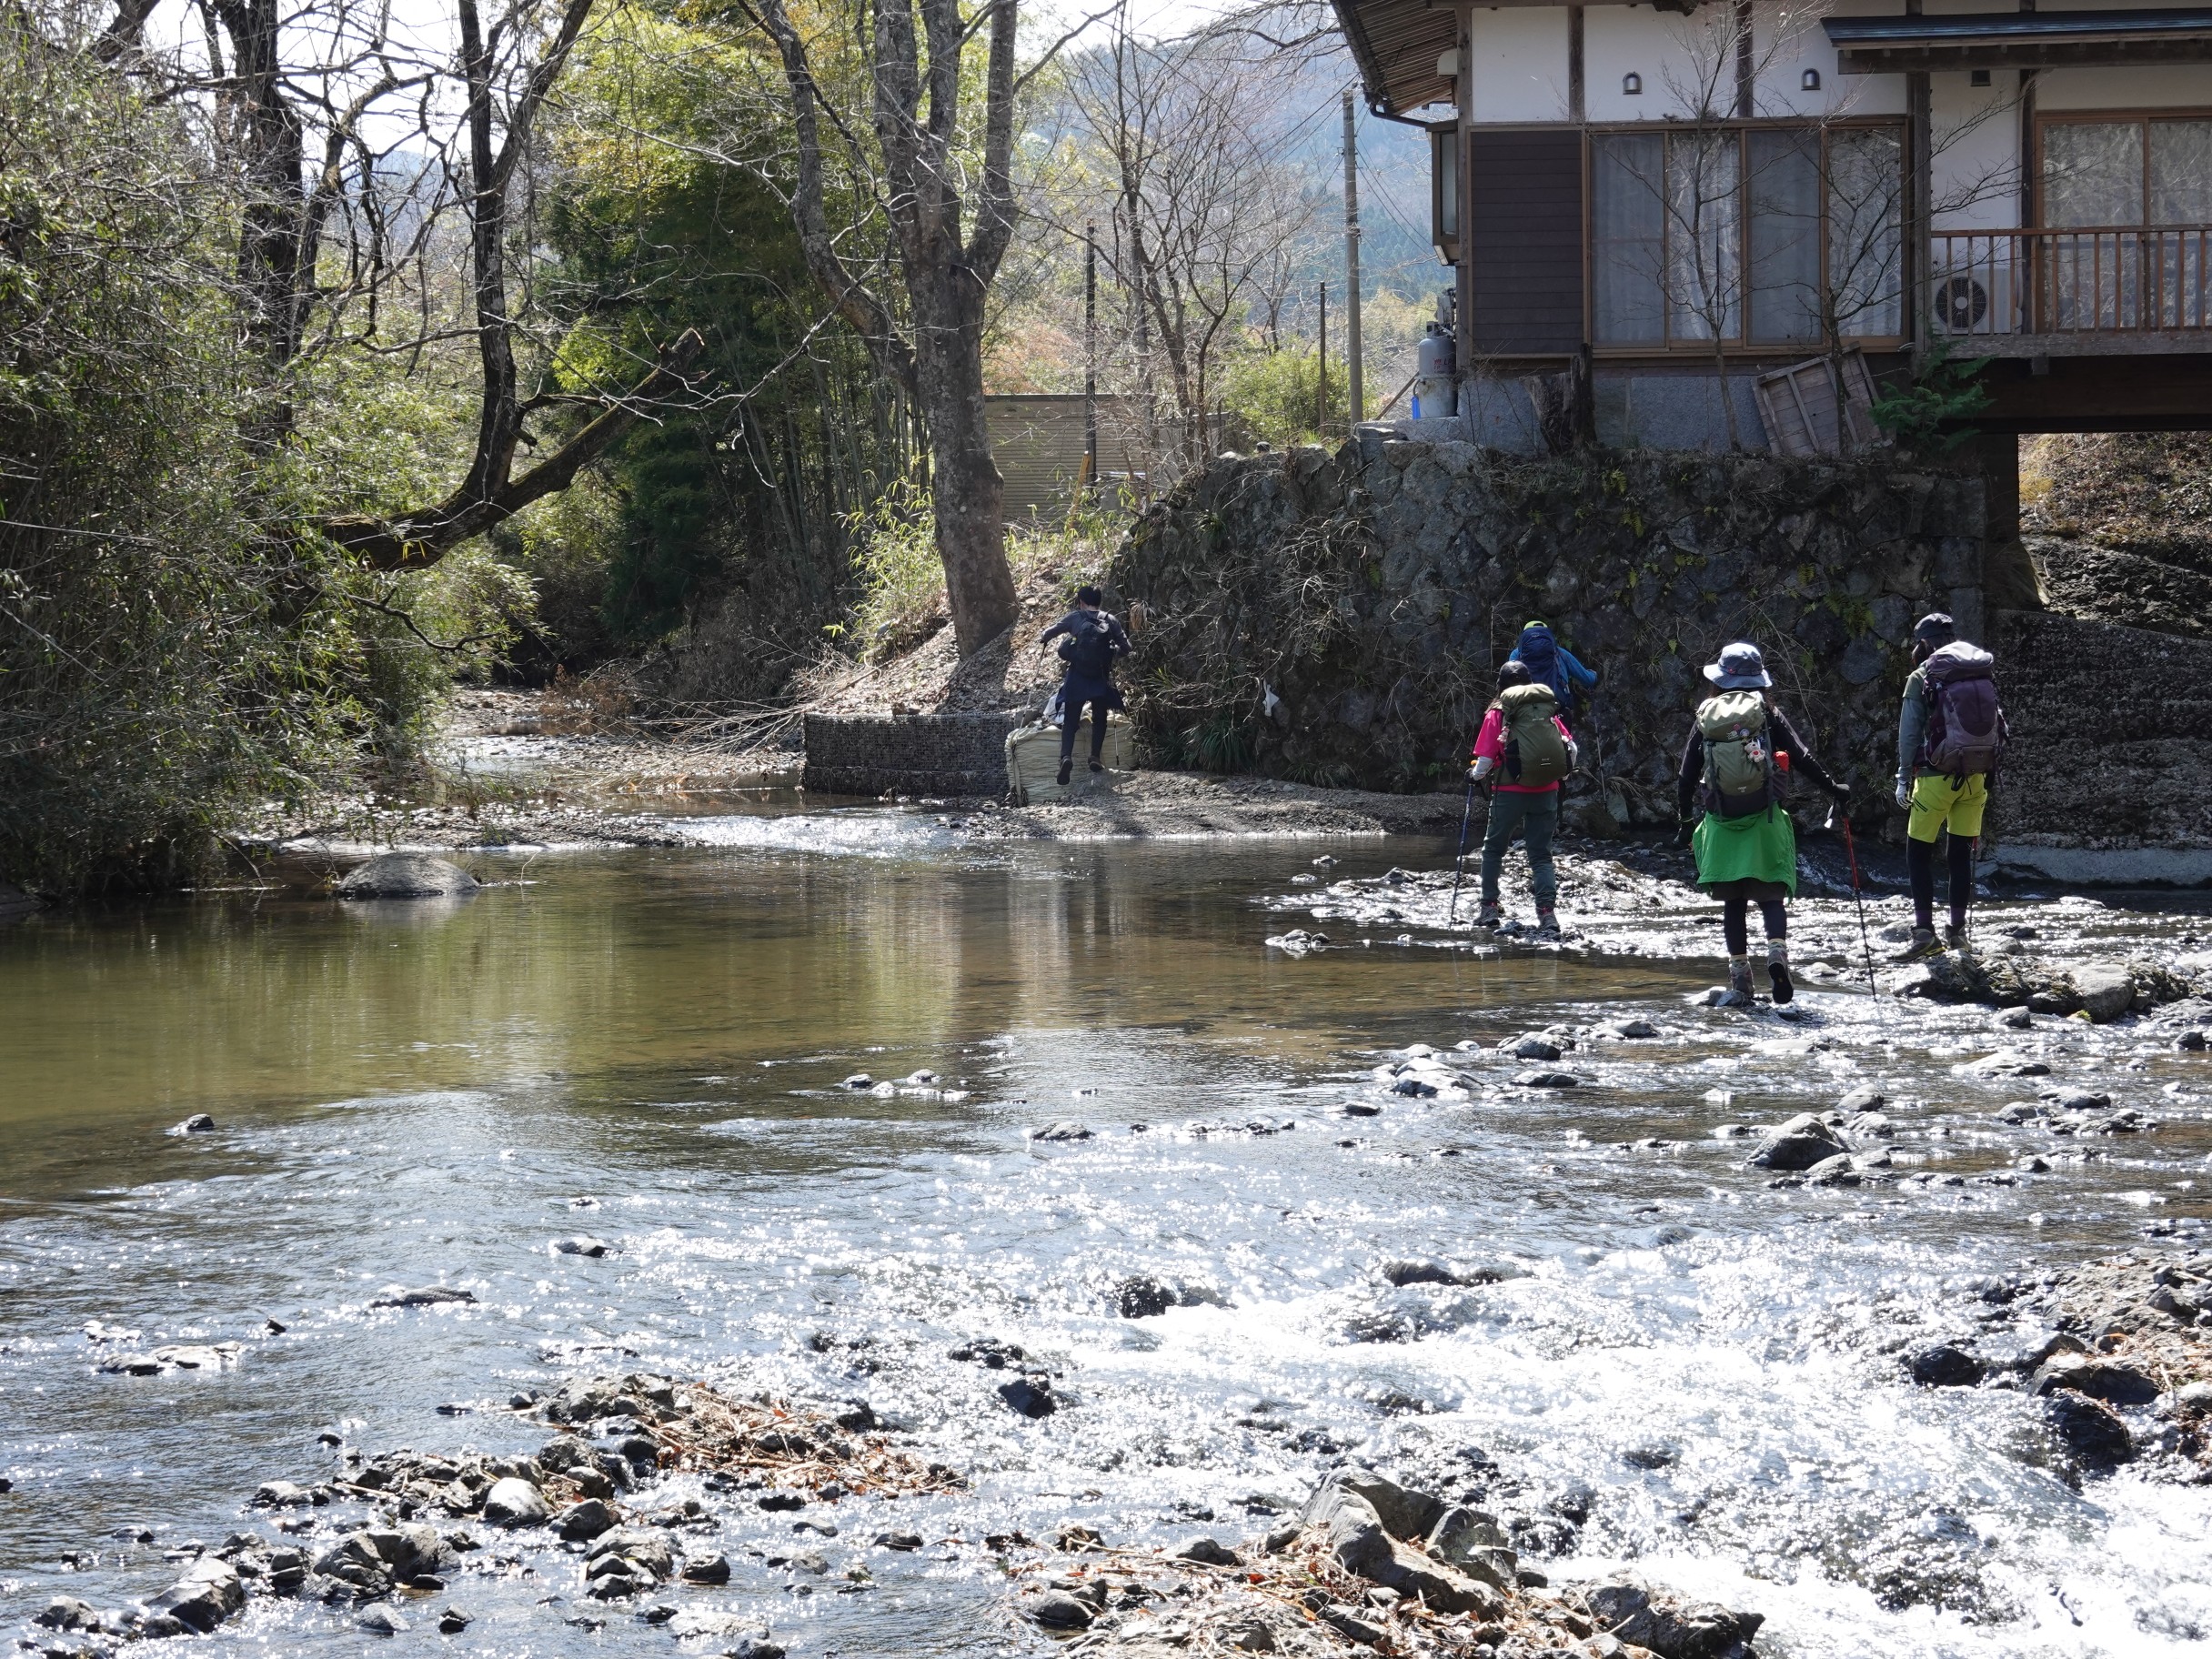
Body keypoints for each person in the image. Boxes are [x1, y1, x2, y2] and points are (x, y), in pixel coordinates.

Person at [1674, 641, 1850, 1004]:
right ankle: (1776, 953)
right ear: (1760, 681)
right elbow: (1801, 757)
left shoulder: (1707, 717)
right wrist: (1835, 788)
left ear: (1719, 680)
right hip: (1765, 818)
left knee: (1734, 904)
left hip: (1722, 821)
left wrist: (1683, 820)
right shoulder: (1767, 714)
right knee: (1771, 895)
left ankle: (1741, 978)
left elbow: (1686, 776)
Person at [1895, 611, 2006, 959]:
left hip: (1934, 778)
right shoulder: (1977, 671)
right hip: (1975, 778)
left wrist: (1902, 776)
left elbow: (1909, 732)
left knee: (1918, 854)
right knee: (1959, 855)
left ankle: (1924, 934)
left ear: (1925, 642)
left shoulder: (1922, 675)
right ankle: (1958, 934)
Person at [1469, 660, 1578, 939]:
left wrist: (1474, 776)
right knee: (1541, 855)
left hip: (1509, 792)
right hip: (1547, 789)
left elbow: (1485, 759)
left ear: (1501, 686)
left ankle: (1489, 908)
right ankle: (1547, 915)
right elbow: (1571, 749)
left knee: (1493, 849)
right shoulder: (1545, 709)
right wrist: (1561, 777)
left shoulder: (1499, 712)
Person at [1039, 585, 1131, 786]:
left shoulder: (1075, 618)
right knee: (1100, 718)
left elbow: (1050, 632)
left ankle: (1066, 758)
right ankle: (1095, 758)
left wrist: (1044, 638)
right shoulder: (1110, 620)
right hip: (1100, 677)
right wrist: (1113, 654)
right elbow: (1126, 647)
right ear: (1100, 601)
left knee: (1070, 721)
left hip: (1077, 677)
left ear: (1081, 601)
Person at [1507, 620, 1600, 730]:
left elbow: (1509, 681)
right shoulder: (1560, 653)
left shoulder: (1516, 654)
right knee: (1560, 745)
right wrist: (1593, 675)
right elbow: (1588, 680)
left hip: (1526, 714)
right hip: (1557, 714)